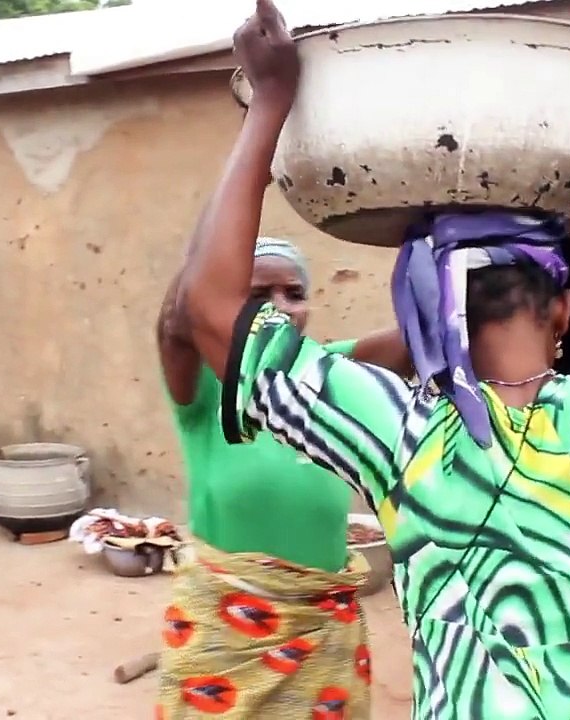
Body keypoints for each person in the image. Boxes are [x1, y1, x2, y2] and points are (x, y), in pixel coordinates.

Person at [174, 0, 570, 718]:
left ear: (422, 314)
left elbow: (207, 307)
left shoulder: (397, 435)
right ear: (564, 311)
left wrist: (268, 105)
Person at [155, 191, 410, 717]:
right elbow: (179, 314)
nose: (278, 306)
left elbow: (421, 340)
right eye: (256, 293)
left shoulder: (327, 376)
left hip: (322, 624)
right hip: (225, 629)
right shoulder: (206, 386)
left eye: (292, 293)